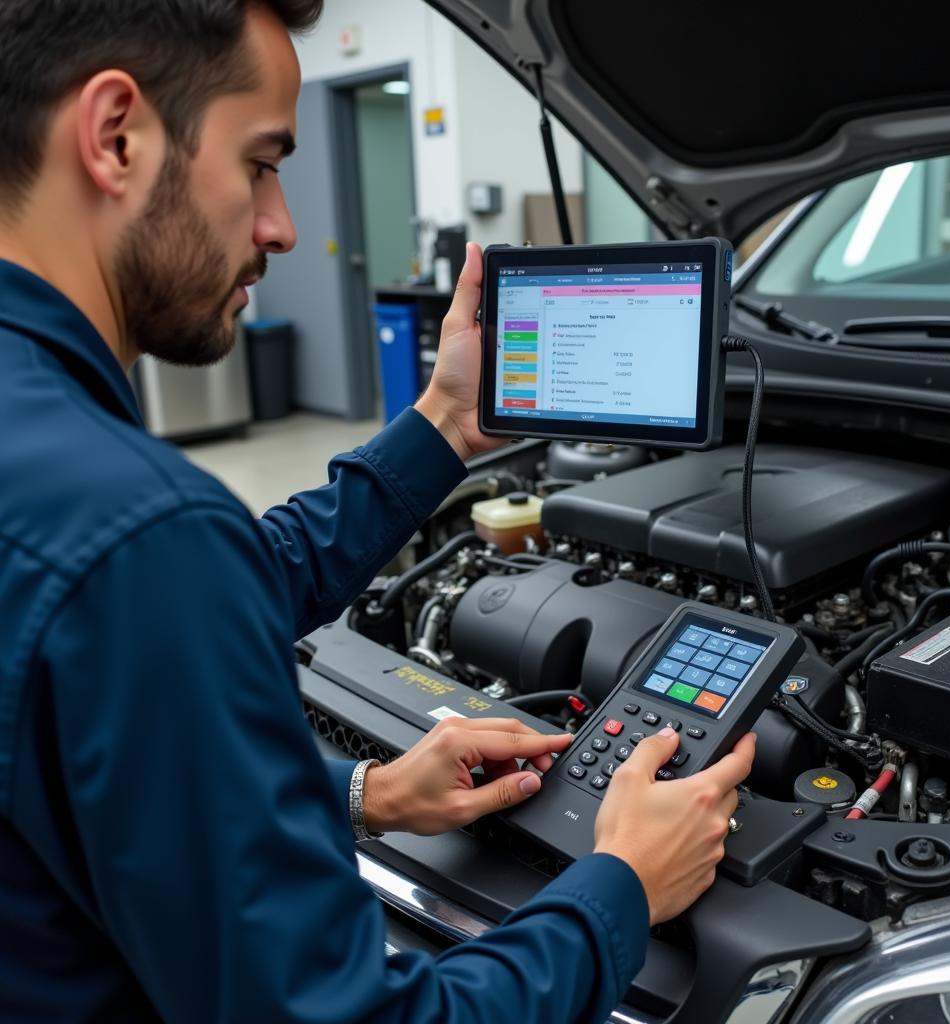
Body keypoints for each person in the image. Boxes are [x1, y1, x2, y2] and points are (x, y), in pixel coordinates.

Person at [0, 2, 755, 1021]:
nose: (282, 225)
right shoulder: (141, 536)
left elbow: (126, 706)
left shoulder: (81, 498)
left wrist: (363, 793)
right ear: (115, 134)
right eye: (262, 161)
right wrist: (618, 886)